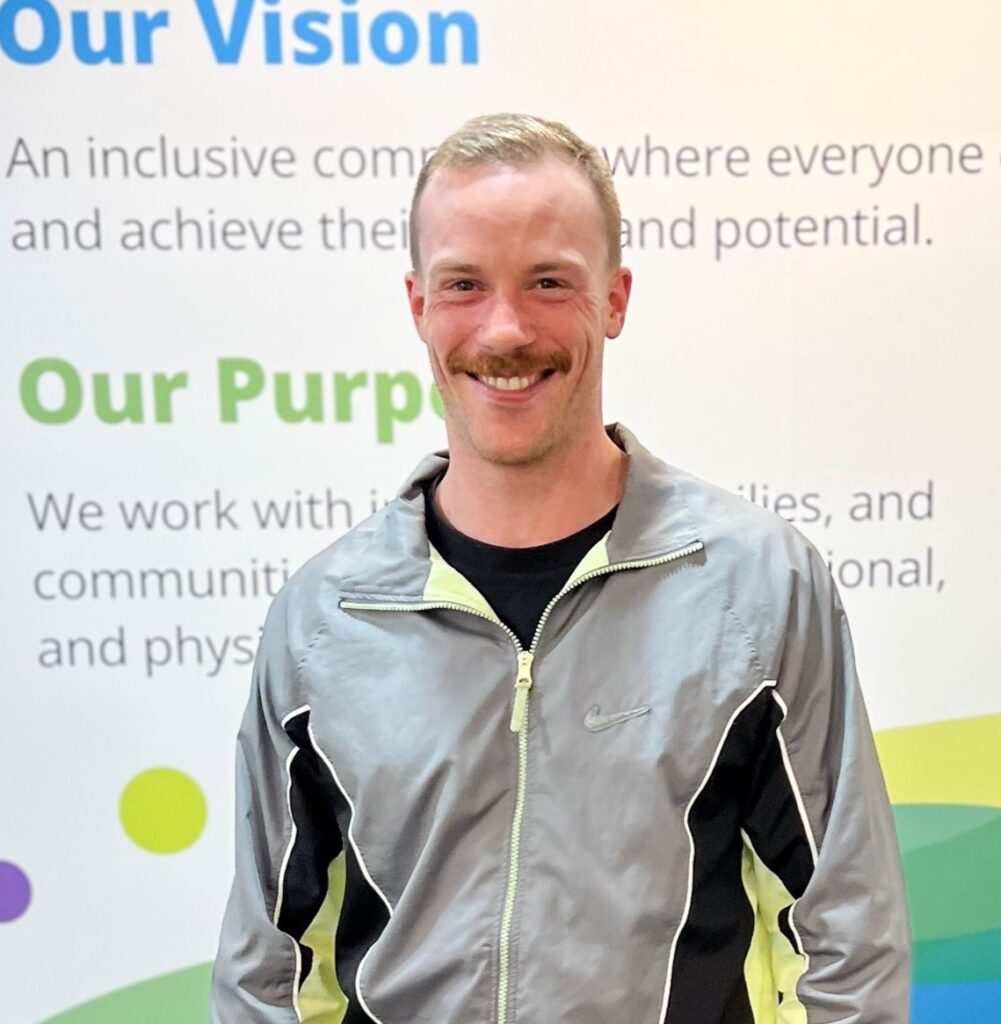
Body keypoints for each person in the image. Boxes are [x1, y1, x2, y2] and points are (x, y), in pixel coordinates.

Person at [210, 113, 911, 1024]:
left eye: (549, 281)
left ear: (614, 299)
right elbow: (266, 968)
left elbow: (847, 937)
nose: (504, 330)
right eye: (464, 283)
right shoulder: (324, 618)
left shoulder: (757, 587)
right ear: (418, 304)